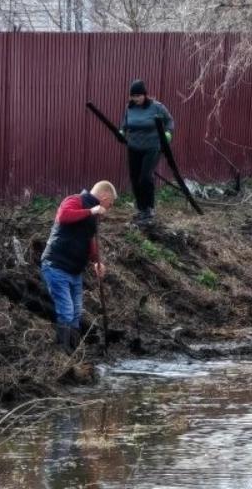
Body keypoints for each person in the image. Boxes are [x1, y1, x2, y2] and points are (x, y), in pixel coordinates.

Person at [41, 181, 115, 353]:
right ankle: (62, 354)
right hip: (56, 265)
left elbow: (89, 240)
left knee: (75, 313)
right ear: (104, 198)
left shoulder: (94, 216)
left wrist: (96, 261)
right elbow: (63, 216)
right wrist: (91, 211)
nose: (109, 209)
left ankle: (72, 353)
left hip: (74, 271)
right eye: (110, 204)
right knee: (66, 312)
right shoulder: (75, 200)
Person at [121, 80, 174, 224]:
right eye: (133, 96)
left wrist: (168, 133)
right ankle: (140, 208)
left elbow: (169, 121)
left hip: (152, 147)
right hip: (134, 147)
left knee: (145, 177)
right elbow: (125, 124)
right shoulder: (129, 108)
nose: (136, 99)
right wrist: (121, 131)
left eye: (138, 96)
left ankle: (149, 208)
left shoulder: (156, 107)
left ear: (145, 94)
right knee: (134, 178)